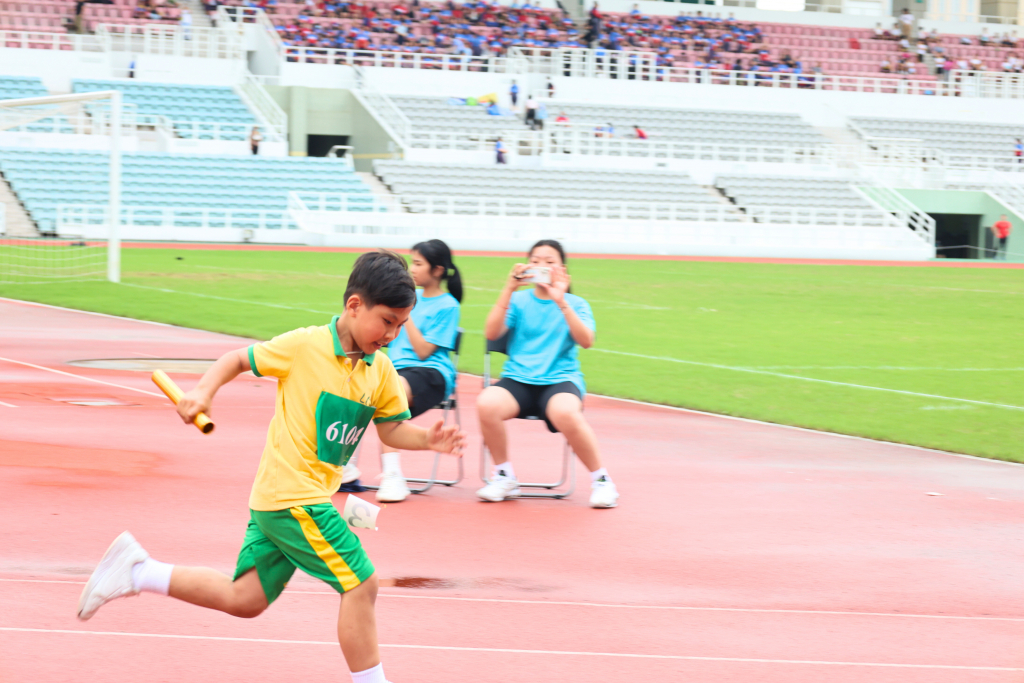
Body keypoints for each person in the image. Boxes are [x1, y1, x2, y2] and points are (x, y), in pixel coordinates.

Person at [76, 250, 466, 683]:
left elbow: (391, 430)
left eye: (400, 324)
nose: (392, 334)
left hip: (282, 501)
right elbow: (237, 360)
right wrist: (203, 392)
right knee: (361, 582)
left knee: (244, 599)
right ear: (355, 305)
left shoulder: (381, 370)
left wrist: (426, 439)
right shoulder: (304, 346)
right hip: (293, 497)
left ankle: (136, 570)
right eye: (387, 321)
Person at [475, 239, 619, 509]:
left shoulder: (576, 303)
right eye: (536, 261)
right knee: (486, 403)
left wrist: (561, 300)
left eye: (549, 262)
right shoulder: (518, 300)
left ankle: (602, 481)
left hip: (560, 381)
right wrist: (508, 288)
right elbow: (491, 333)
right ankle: (504, 476)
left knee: (566, 412)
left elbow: (586, 340)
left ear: (562, 269)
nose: (541, 266)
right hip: (518, 379)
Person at [375, 240, 462, 503]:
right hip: (397, 371)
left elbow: (423, 351)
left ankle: (392, 475)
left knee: (388, 394)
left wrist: (406, 311)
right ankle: (341, 465)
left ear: (437, 270)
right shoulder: (410, 298)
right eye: (411, 262)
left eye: (418, 263)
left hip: (431, 373)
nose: (412, 269)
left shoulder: (448, 306)